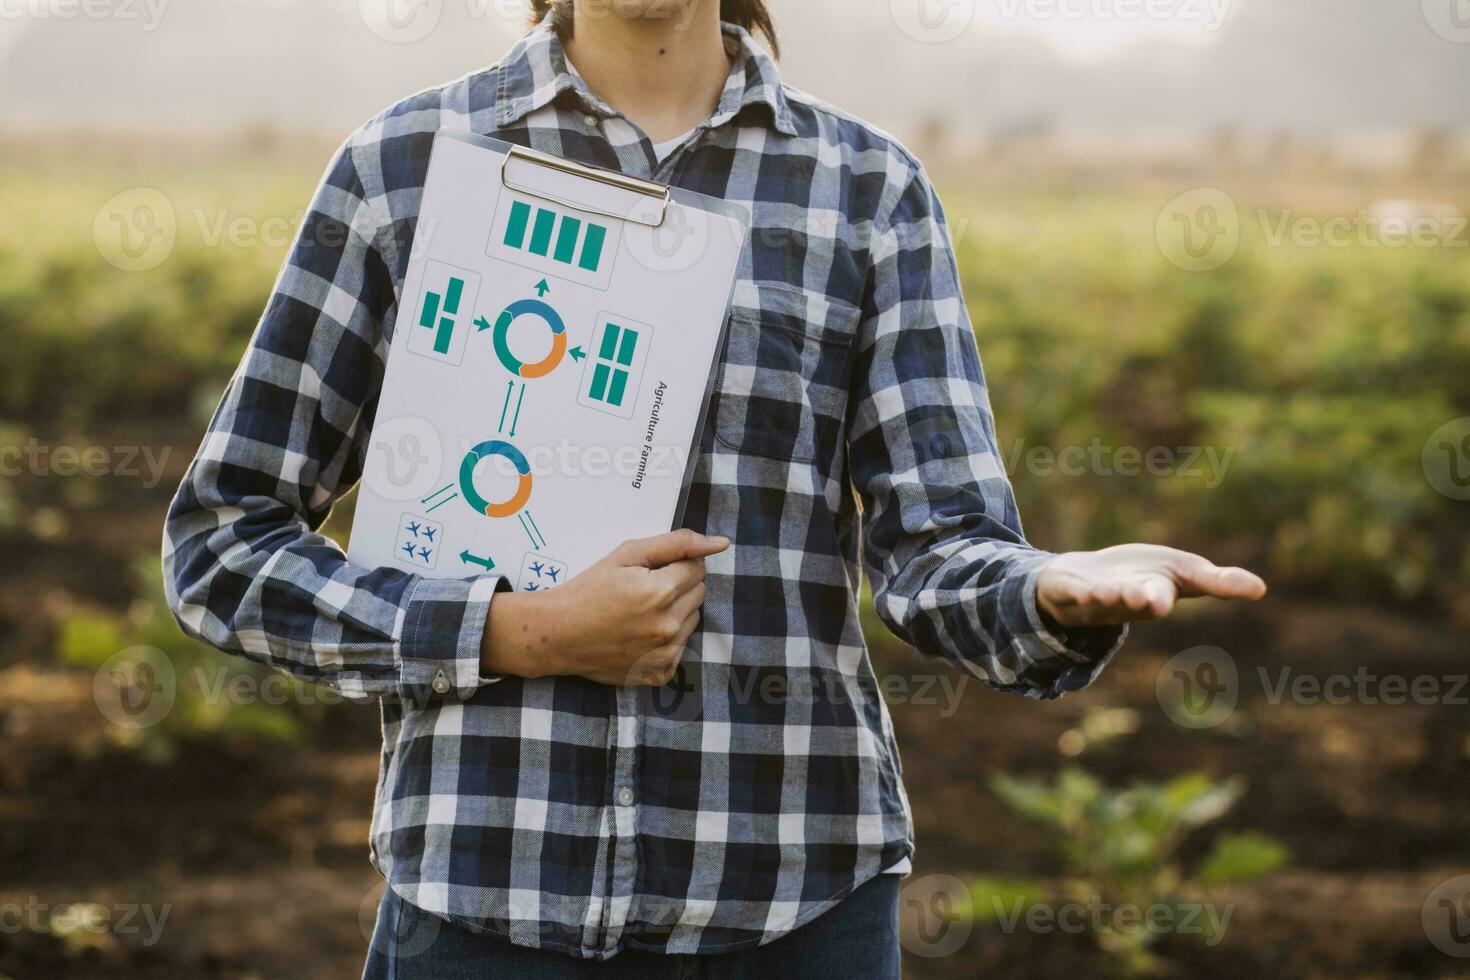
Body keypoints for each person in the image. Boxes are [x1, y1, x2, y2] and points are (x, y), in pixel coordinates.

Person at [162, 1, 1267, 976]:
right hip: (488, 901)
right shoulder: (404, 165)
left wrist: (1045, 587)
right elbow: (223, 542)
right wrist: (514, 632)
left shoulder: (866, 189)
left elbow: (938, 547)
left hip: (798, 906)